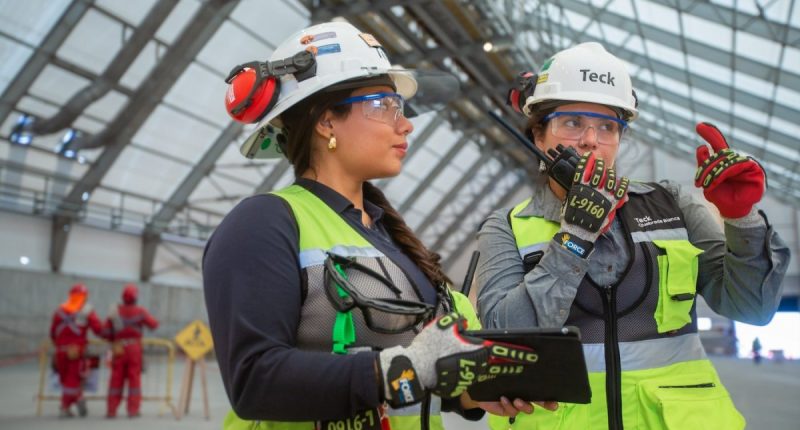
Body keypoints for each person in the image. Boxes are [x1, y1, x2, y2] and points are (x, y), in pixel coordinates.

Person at [204, 21, 555, 430]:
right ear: (326, 121)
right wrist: (403, 368)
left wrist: (471, 389)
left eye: (399, 107)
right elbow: (254, 381)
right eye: (383, 105)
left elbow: (411, 375)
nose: (405, 124)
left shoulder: (386, 234)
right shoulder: (263, 224)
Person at [475, 42, 790, 430]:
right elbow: (503, 337)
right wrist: (575, 237)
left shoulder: (672, 204)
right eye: (571, 123)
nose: (591, 139)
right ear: (539, 136)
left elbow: (752, 308)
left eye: (607, 126)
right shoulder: (507, 226)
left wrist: (741, 220)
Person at [103, 284, 159, 418]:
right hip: (134, 349)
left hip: (118, 349)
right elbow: (153, 324)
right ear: (135, 298)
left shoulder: (115, 312)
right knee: (134, 379)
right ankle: (133, 410)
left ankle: (111, 410)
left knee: (116, 379)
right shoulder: (140, 311)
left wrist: (115, 339)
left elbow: (105, 332)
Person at [50, 283, 103, 418]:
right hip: (76, 352)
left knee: (65, 379)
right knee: (72, 380)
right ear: (85, 296)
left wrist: (59, 346)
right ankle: (66, 406)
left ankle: (76, 400)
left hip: (60, 351)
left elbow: (53, 333)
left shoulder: (59, 311)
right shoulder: (87, 311)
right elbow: (98, 329)